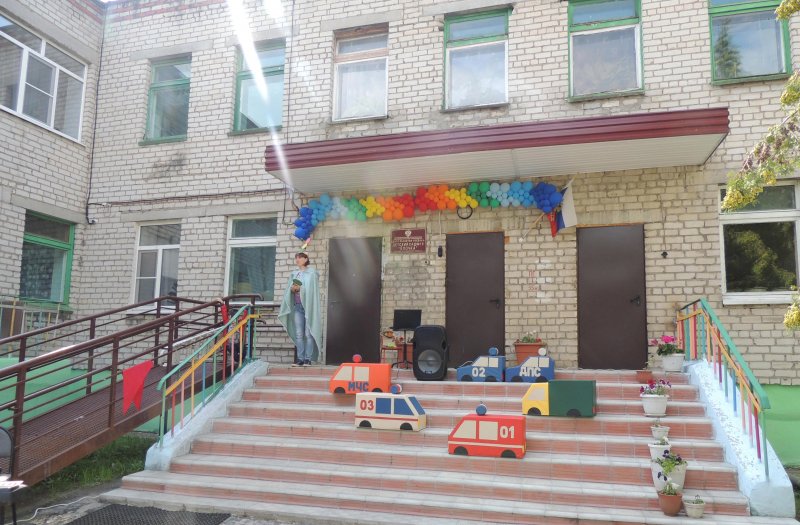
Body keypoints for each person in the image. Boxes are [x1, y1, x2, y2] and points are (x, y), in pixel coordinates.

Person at [278, 252, 322, 367]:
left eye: (300, 257)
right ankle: (300, 359)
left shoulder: (312, 274)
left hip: (308, 307)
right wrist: (293, 289)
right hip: (298, 307)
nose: (297, 260)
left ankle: (308, 359)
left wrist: (301, 288)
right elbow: (289, 290)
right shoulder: (294, 274)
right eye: (296, 258)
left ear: (306, 259)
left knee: (308, 334)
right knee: (299, 334)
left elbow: (312, 290)